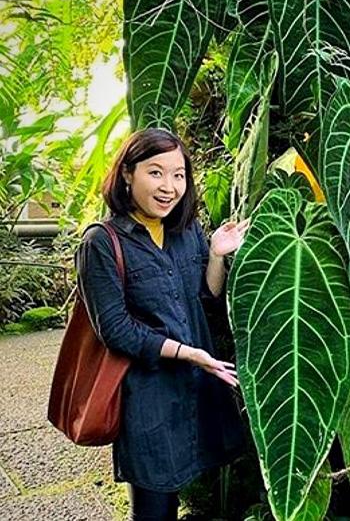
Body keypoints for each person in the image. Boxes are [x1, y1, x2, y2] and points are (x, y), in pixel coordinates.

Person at [76, 128, 248, 521]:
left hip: (197, 388)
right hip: (149, 397)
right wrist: (185, 352)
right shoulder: (102, 243)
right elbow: (115, 329)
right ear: (127, 174)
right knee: (155, 508)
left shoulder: (186, 232)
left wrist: (217, 256)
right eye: (156, 173)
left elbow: (205, 298)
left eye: (179, 174)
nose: (169, 186)